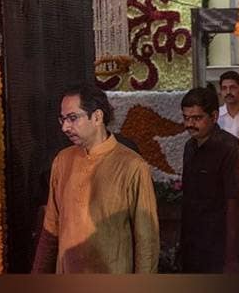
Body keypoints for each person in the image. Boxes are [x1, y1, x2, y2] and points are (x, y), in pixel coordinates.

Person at [32, 83, 159, 273]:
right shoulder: (62, 161)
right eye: (62, 119)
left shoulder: (132, 166)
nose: (65, 127)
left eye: (72, 118)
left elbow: (146, 241)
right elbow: (51, 229)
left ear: (97, 117)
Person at [178, 87, 239, 273]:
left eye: (197, 118)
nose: (190, 124)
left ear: (214, 116)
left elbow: (233, 202)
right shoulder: (190, 146)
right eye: (186, 118)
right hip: (192, 242)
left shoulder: (229, 147)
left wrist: (231, 258)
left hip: (217, 245)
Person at [217, 71, 239, 138]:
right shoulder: (216, 116)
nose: (228, 92)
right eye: (224, 88)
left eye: (232, 87)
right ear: (220, 91)